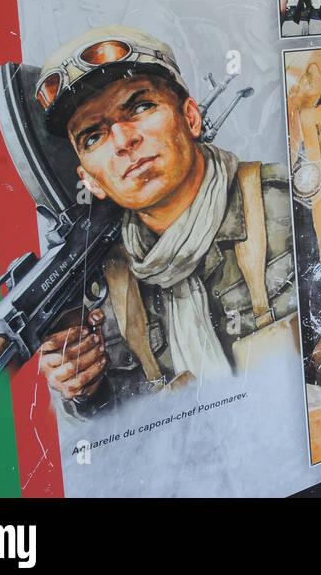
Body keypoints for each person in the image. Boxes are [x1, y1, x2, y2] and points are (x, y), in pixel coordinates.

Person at [29, 26, 300, 418]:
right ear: (90, 179)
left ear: (189, 117)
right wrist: (86, 390)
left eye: (139, 108)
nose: (123, 140)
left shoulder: (288, 201)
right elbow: (126, 427)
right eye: (93, 137)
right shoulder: (105, 283)